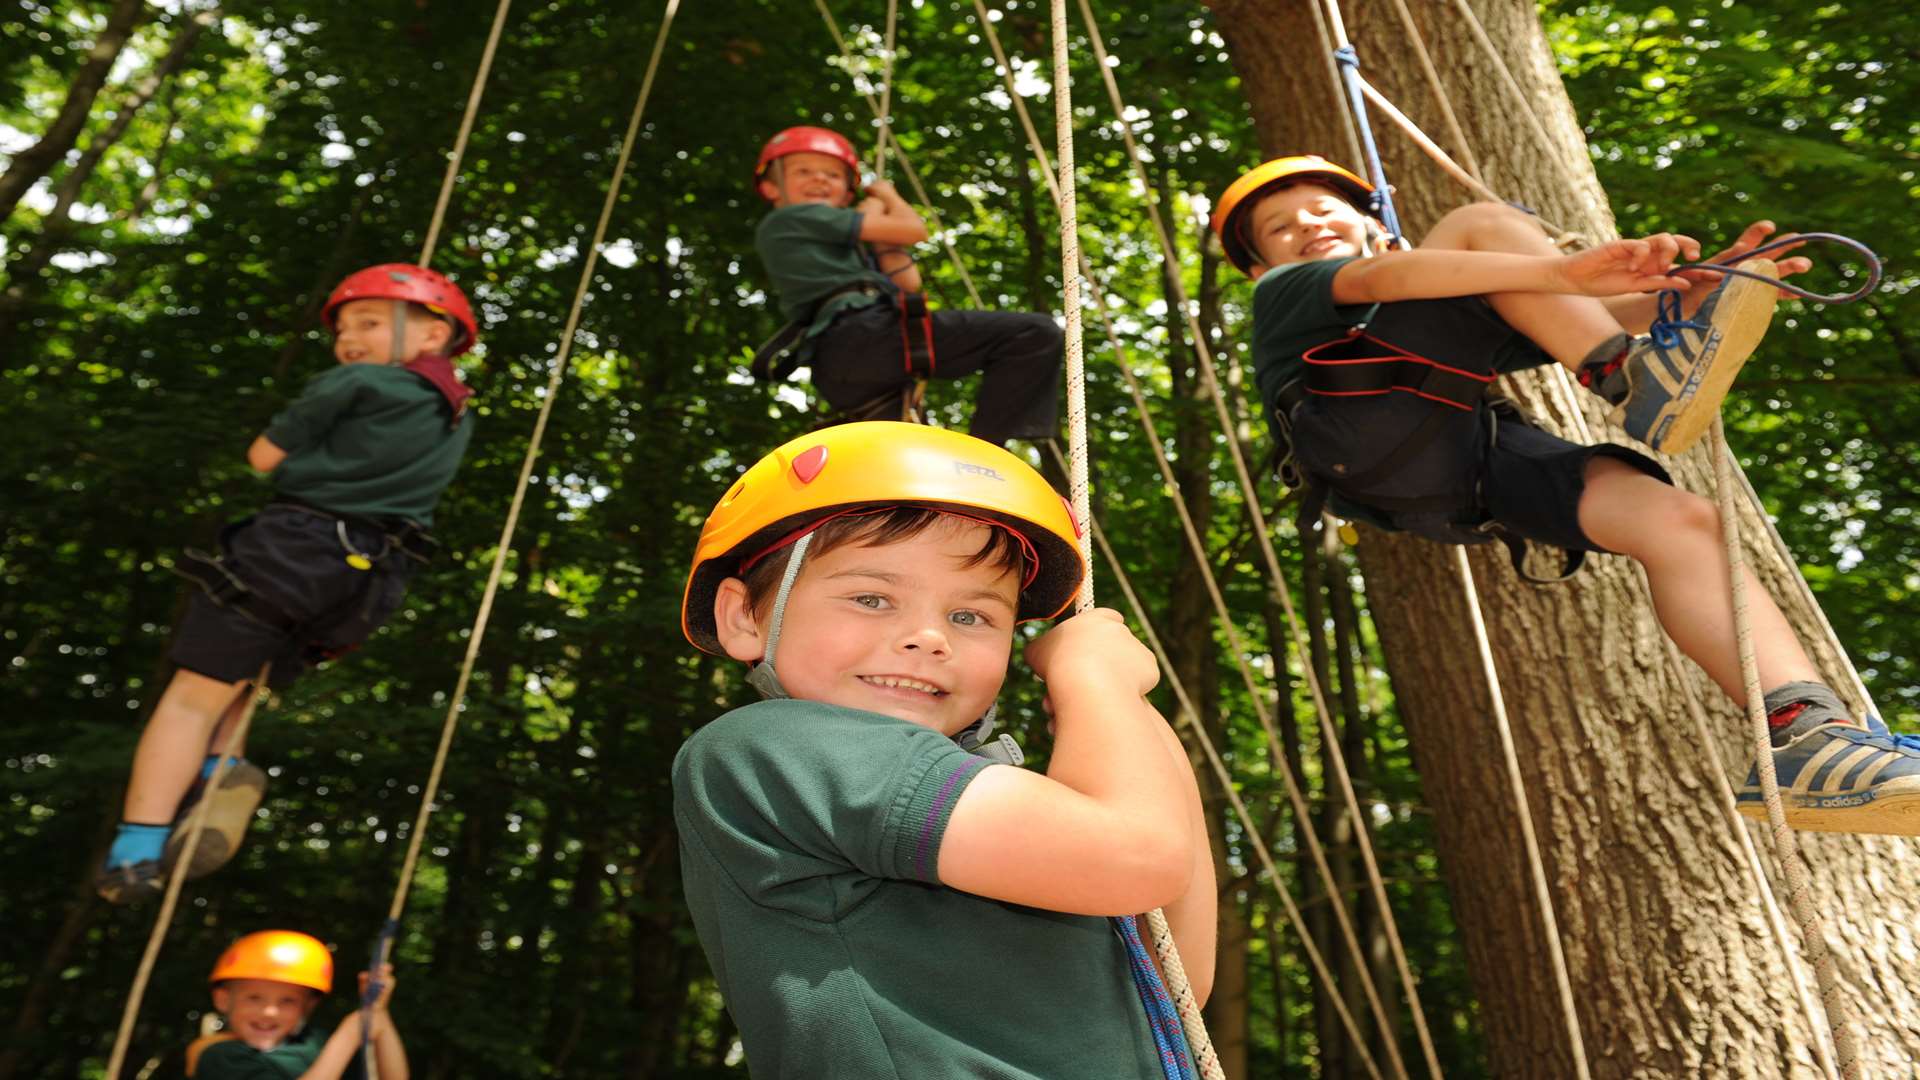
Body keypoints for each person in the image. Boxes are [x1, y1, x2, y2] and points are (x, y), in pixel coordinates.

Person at [1212, 155, 1920, 834]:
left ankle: (1805, 734)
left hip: (1461, 465)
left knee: (1679, 520)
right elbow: (1386, 275)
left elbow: (1559, 306)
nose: (1306, 224)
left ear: (1375, 221)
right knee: (1480, 223)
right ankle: (1628, 379)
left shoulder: (1447, 299)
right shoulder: (1288, 291)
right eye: (1281, 227)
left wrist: (1685, 298)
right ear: (1261, 265)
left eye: (1322, 208)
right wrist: (1558, 269)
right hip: (1357, 431)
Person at [674, 421, 1215, 1077]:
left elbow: (1169, 983)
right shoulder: (775, 749)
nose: (930, 637)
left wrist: (1126, 717)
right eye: (872, 598)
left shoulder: (987, 816)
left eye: (971, 616)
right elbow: (1136, 857)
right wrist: (1095, 678)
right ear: (743, 617)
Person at [96, 264, 480, 904]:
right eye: (344, 329)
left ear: (433, 334)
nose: (349, 339)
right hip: (371, 577)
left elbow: (263, 458)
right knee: (246, 677)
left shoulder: (355, 382)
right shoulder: (457, 415)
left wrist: (313, 460)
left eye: (369, 322)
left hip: (295, 548)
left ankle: (135, 849)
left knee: (194, 695)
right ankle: (218, 769)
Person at [750, 126, 1062, 446]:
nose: (819, 179)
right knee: (1031, 334)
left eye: (832, 174)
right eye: (804, 171)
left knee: (908, 465)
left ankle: (963, 476)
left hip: (845, 363)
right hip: (863, 336)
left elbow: (907, 282)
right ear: (773, 188)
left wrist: (876, 227)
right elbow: (913, 230)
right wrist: (887, 196)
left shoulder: (841, 244)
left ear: (846, 193)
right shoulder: (792, 219)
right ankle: (985, 452)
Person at [186, 930, 406, 1080]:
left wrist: (377, 1011)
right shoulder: (220, 1055)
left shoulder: (316, 1044)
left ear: (308, 1005)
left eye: (287, 1001)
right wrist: (349, 1035)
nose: (270, 1011)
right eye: (254, 998)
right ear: (223, 1000)